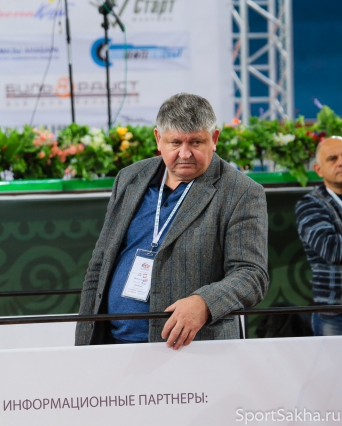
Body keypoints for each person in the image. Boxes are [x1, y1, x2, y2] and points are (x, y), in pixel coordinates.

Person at [75, 93, 269, 349]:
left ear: (214, 139)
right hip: (112, 345)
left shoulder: (241, 192)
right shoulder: (130, 178)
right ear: (158, 139)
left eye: (196, 142)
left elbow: (252, 274)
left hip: (193, 350)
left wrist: (204, 303)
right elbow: (100, 263)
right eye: (175, 142)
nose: (185, 154)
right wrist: (84, 340)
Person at [295, 136, 342, 336]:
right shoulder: (310, 205)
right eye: (332, 158)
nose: (340, 162)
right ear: (318, 169)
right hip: (335, 312)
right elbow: (333, 249)